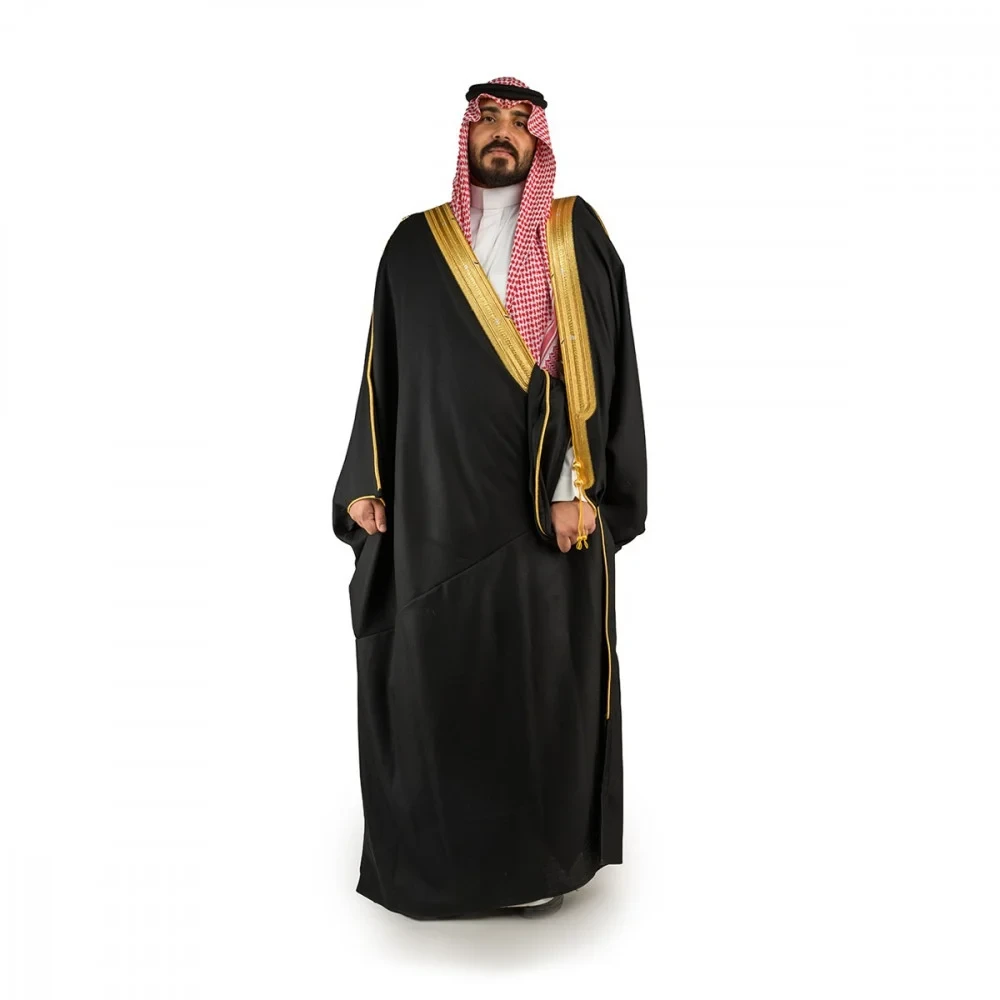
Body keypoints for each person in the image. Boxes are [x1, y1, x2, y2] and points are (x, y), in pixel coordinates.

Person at [331, 76, 647, 920]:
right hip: (436, 505)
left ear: (538, 140)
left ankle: (536, 865)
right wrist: (366, 479)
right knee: (437, 675)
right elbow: (383, 369)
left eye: (518, 121)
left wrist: (577, 485)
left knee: (537, 679)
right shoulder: (413, 246)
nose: (501, 133)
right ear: (467, 134)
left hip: (542, 508)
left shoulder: (572, 234)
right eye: (488, 120)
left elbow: (595, 368)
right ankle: (440, 863)